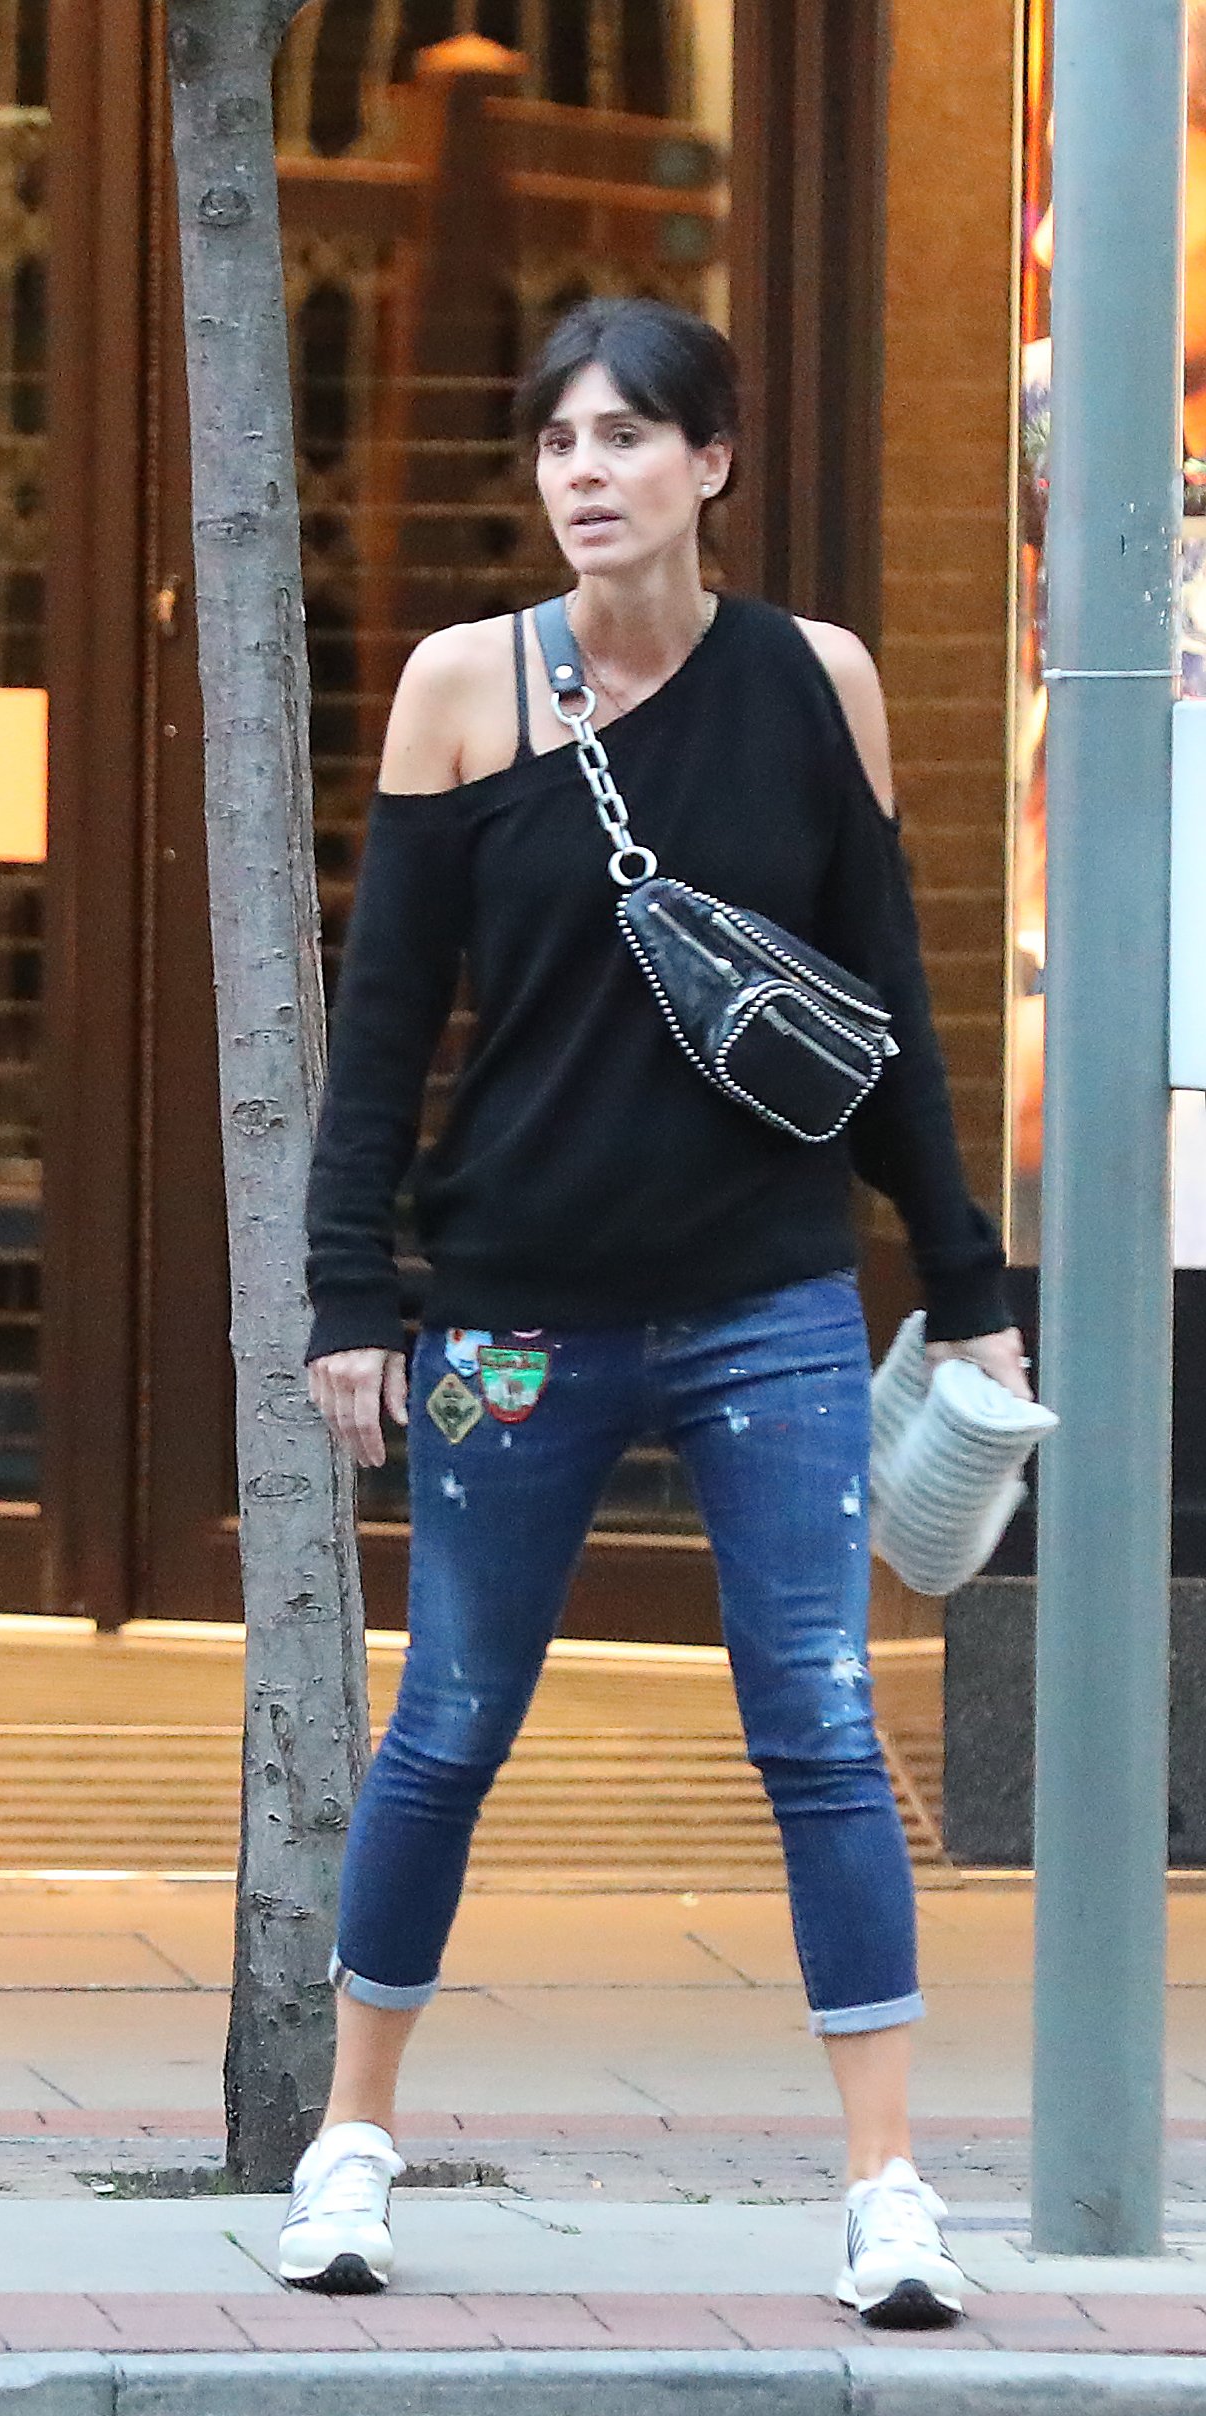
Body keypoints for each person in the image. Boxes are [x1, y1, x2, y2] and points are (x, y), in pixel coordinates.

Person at [284, 297, 1023, 2330]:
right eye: (554, 441)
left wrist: (964, 1293)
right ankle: (349, 2135)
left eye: (626, 435)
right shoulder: (457, 690)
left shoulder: (815, 686)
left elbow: (881, 1015)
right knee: (444, 1716)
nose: (583, 471)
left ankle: (883, 2180)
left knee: (816, 1722)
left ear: (710, 464)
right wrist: (356, 1294)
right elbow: (378, 1043)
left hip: (761, 1302)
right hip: (507, 1315)